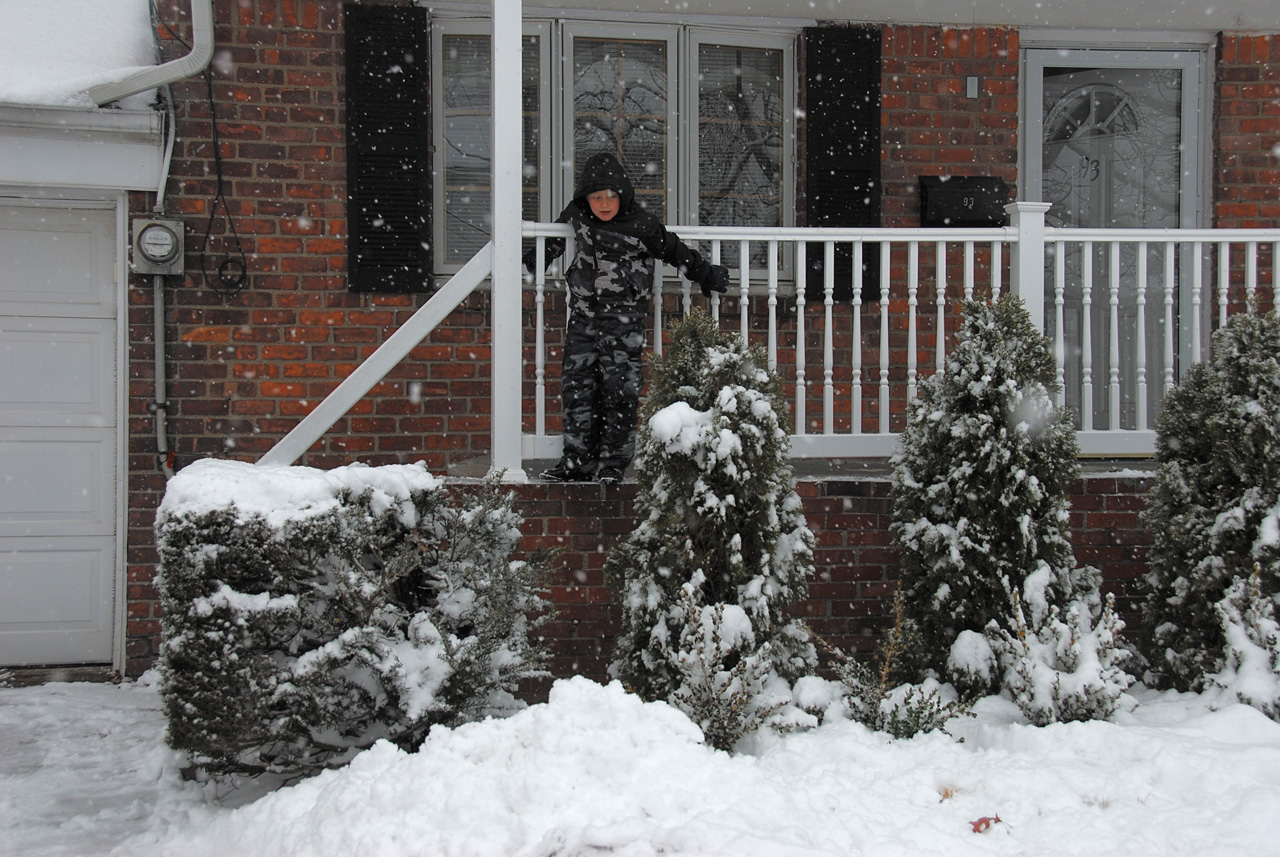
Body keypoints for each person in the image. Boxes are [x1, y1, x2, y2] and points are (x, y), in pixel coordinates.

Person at [526, 152, 729, 484]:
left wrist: (706, 275)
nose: (604, 204)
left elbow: (676, 252)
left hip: (624, 324)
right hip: (583, 321)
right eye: (596, 197)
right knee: (577, 389)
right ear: (585, 199)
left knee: (620, 392)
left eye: (610, 197)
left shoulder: (642, 225)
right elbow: (551, 242)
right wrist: (531, 260)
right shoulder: (577, 215)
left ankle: (613, 463)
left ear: (623, 195)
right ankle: (578, 461)